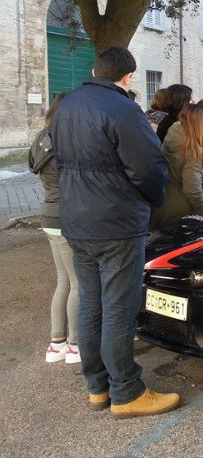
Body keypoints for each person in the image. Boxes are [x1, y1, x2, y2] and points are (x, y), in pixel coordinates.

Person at [49, 46, 177, 418]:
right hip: (116, 223)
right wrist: (154, 199)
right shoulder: (124, 109)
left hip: (77, 220)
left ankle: (98, 387)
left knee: (91, 303)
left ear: (95, 71)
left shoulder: (67, 105)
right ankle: (126, 391)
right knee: (118, 308)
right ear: (127, 76)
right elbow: (149, 167)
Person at [30, 93, 81, 364]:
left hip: (49, 217)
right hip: (66, 218)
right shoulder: (65, 140)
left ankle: (56, 343)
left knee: (63, 282)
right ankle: (74, 345)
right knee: (78, 285)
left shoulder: (42, 137)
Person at [151, 105, 203, 228]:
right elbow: (192, 188)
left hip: (162, 202)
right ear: (201, 124)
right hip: (180, 209)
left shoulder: (174, 135)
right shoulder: (193, 150)